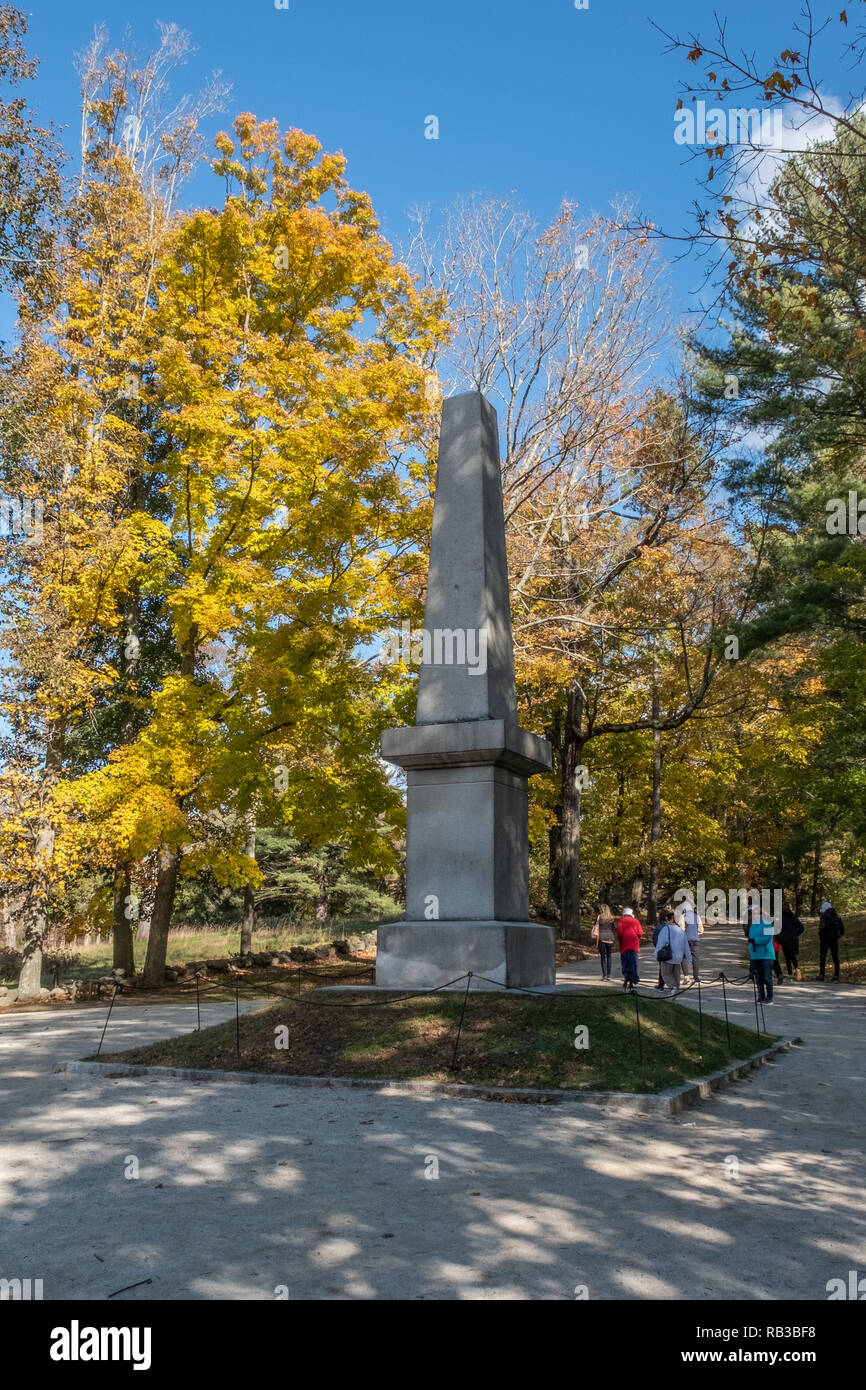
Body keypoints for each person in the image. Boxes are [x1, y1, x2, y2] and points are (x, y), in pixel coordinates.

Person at [653, 910, 692, 997]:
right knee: (676, 975)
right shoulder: (681, 931)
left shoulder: (666, 929)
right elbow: (686, 946)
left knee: (665, 973)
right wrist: (689, 958)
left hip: (668, 956)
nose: (666, 922)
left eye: (667, 920)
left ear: (670, 919)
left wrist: (656, 953)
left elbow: (661, 943)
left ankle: (673, 987)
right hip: (679, 958)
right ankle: (675, 990)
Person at [748, 914, 776, 1004]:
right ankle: (761, 996)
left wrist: (755, 940)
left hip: (766, 955)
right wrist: (751, 948)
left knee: (767, 977)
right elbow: (749, 938)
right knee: (758, 977)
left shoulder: (767, 924)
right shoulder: (753, 925)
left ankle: (770, 997)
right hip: (755, 955)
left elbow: (767, 938)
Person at [616, 906, 643, 992]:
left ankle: (626, 977)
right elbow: (640, 933)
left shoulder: (621, 920)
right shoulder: (636, 921)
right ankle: (633, 980)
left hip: (624, 944)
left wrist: (621, 939)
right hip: (634, 945)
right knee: (633, 963)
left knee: (625, 962)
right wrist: (636, 938)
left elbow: (619, 933)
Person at [818, 900, 845, 982]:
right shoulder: (837, 916)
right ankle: (836, 975)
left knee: (823, 957)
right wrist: (838, 935)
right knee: (835, 957)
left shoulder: (824, 915)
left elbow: (821, 927)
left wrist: (821, 935)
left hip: (825, 939)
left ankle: (822, 975)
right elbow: (842, 929)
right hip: (834, 938)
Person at [779, 904, 804, 979]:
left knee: (787, 956)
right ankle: (797, 970)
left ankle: (790, 973)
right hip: (793, 939)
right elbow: (802, 928)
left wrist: (780, 937)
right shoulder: (793, 916)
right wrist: (796, 934)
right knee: (792, 956)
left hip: (785, 939)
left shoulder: (781, 917)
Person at [681, 901, 704, 982]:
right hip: (695, 940)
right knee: (695, 959)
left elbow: (682, 929)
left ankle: (686, 976)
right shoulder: (697, 916)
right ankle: (696, 977)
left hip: (686, 940)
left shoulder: (683, 917)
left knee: (683, 958)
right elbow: (701, 930)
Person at [593, 903, 616, 980]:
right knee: (609, 956)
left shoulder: (599, 917)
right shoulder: (611, 918)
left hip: (601, 938)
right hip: (610, 938)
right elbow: (614, 929)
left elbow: (595, 926)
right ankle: (609, 974)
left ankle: (604, 975)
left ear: (602, 909)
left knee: (603, 957)